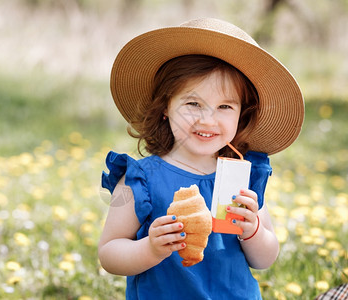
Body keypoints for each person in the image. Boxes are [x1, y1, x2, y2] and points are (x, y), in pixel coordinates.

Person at [98, 18, 304, 299]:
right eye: (193, 103)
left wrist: (253, 229)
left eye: (224, 106)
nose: (208, 119)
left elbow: (264, 259)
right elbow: (109, 253)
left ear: (241, 113)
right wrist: (149, 249)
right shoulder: (141, 178)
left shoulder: (241, 178)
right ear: (165, 107)